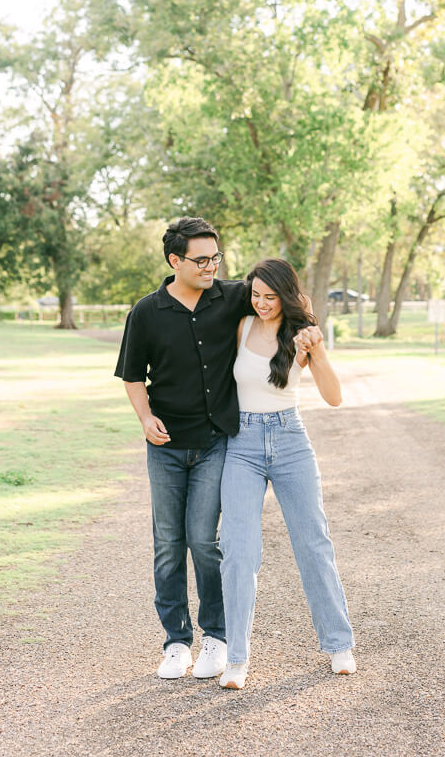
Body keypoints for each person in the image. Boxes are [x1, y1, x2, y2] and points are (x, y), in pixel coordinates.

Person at [114, 217, 248, 680]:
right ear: (176, 261)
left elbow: (279, 299)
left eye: (216, 257)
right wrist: (145, 417)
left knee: (203, 542)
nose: (212, 266)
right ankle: (176, 642)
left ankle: (217, 635)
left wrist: (308, 328)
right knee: (168, 546)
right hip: (166, 447)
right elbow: (133, 377)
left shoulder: (232, 297)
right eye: (201, 259)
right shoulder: (147, 312)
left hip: (215, 443)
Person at [218, 257, 356, 690]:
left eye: (270, 297)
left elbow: (334, 398)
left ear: (287, 296)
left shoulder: (301, 337)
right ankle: (236, 659)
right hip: (241, 444)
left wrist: (317, 351)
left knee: (313, 543)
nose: (261, 304)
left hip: (290, 440)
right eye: (255, 295)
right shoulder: (240, 327)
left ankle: (339, 645)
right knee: (238, 550)